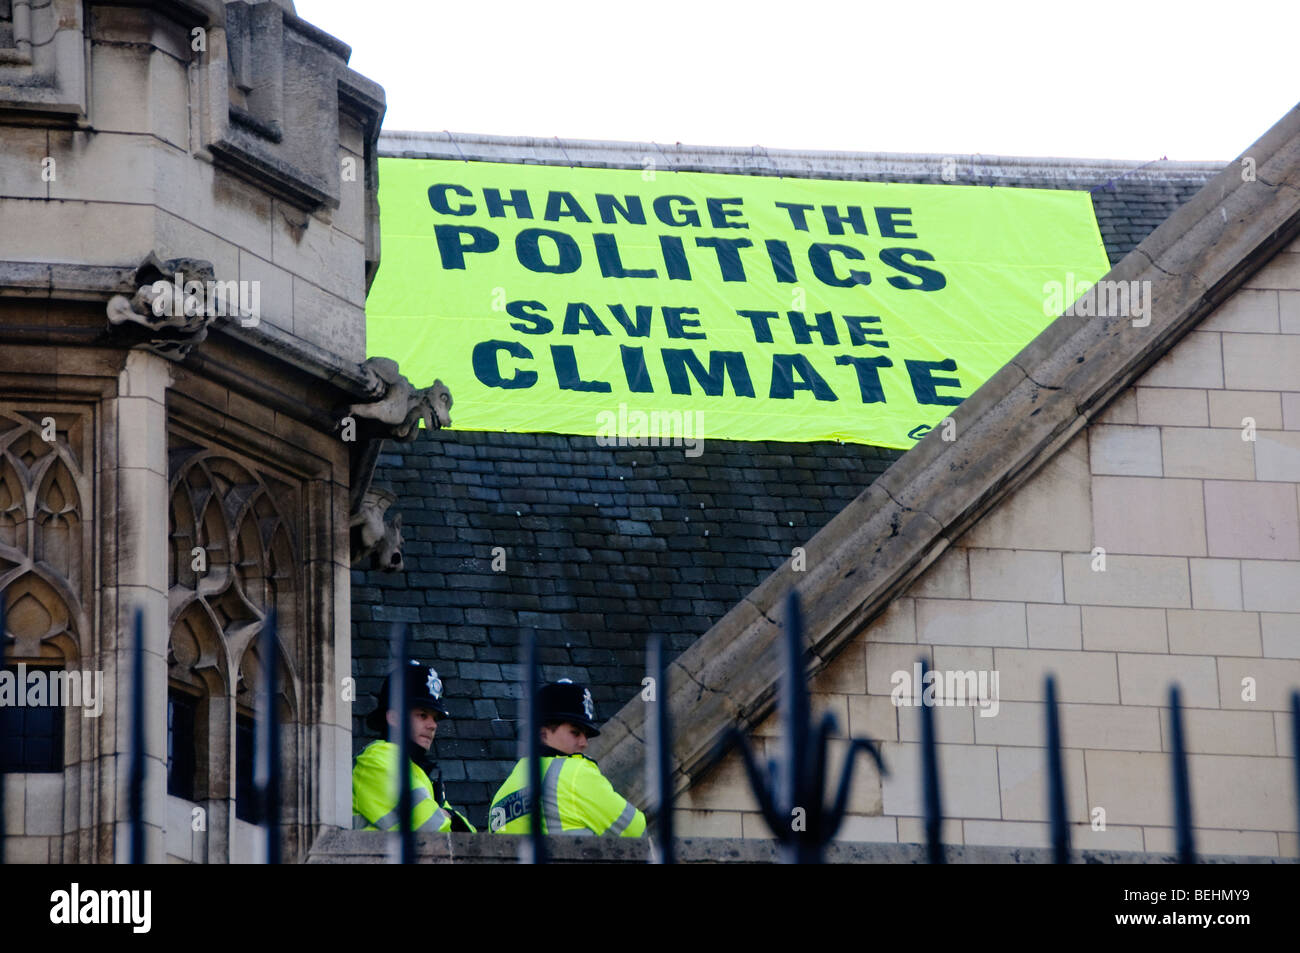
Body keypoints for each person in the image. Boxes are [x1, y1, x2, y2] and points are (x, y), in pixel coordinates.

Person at [488, 679, 645, 837]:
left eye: (586, 735)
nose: (584, 743)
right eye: (575, 733)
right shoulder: (575, 773)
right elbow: (636, 831)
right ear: (543, 734)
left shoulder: (503, 793)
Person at [352, 659, 475, 832]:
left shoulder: (417, 769)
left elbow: (469, 835)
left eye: (435, 718)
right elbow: (432, 829)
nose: (433, 725)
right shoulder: (376, 760)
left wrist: (446, 815)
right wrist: (445, 814)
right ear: (393, 718)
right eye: (423, 715)